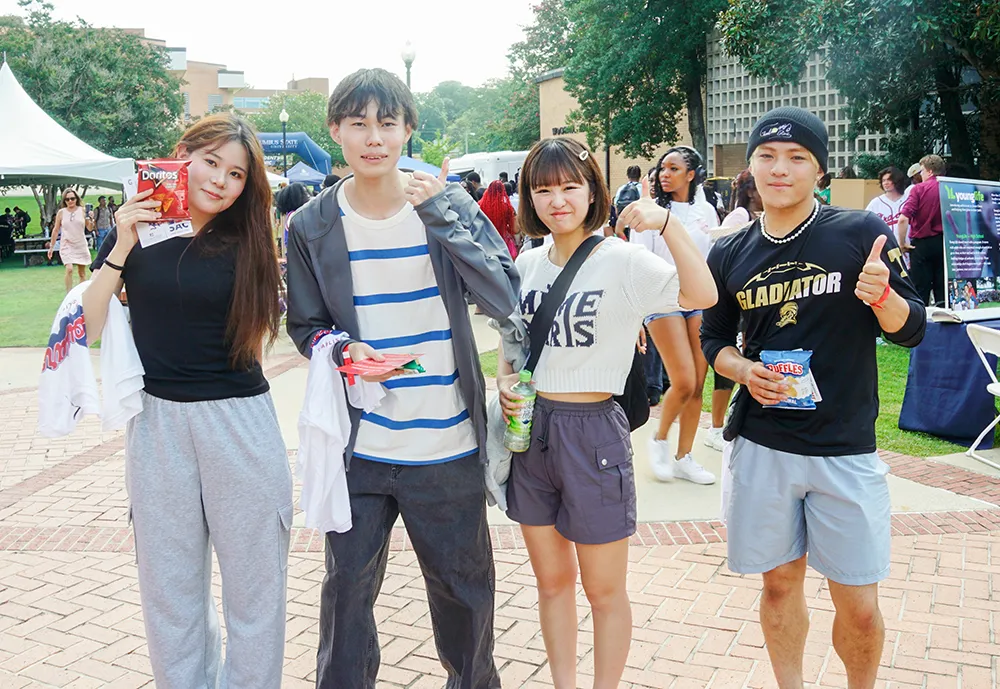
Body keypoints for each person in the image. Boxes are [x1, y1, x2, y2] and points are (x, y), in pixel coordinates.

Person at [285, 67, 518, 689]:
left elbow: (503, 296)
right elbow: (305, 325)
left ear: (408, 129)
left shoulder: (446, 203)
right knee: (345, 600)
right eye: (357, 123)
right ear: (335, 130)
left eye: (387, 123)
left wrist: (439, 214)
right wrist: (342, 350)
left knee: (465, 599)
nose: (373, 138)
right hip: (359, 447)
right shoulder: (311, 225)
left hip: (446, 445)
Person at [702, 106, 926, 689]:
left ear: (819, 170)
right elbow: (713, 339)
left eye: (797, 157)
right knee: (779, 586)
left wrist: (883, 298)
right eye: (768, 156)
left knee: (858, 604)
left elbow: (911, 329)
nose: (781, 168)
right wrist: (744, 370)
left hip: (844, 447)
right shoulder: (729, 251)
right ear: (751, 167)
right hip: (763, 443)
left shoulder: (860, 233)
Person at [79, 113, 288, 688]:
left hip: (239, 423)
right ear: (183, 156)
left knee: (255, 592)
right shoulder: (135, 232)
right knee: (170, 593)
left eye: (237, 174)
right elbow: (88, 328)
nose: (220, 180)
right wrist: (122, 243)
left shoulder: (249, 240)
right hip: (158, 426)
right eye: (211, 162)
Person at [499, 136, 716, 689]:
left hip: (593, 433)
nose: (557, 200)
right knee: (551, 582)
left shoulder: (623, 260)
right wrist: (504, 385)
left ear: (593, 191)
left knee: (603, 590)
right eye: (543, 190)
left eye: (569, 186)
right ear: (529, 197)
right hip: (531, 433)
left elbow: (703, 294)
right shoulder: (526, 264)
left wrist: (667, 224)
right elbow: (513, 347)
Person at [631, 146, 717, 485]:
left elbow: (710, 255)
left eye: (674, 168)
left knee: (698, 383)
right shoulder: (650, 211)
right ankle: (660, 439)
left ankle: (684, 457)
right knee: (683, 380)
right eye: (662, 168)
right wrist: (637, 314)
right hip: (662, 300)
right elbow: (638, 262)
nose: (664, 174)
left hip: (697, 300)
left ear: (691, 174)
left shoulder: (705, 211)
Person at [897, 154, 946, 306]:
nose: (921, 174)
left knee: (920, 290)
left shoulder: (918, 189)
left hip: (922, 245)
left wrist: (902, 243)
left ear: (930, 171)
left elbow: (903, 219)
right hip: (945, 244)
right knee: (943, 289)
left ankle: (922, 318)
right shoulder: (950, 188)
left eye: (922, 171)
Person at [47, 188, 91, 292]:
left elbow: (89, 228)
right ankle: (69, 294)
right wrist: (51, 247)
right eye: (67, 199)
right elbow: (55, 230)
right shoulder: (61, 212)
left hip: (80, 244)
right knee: (69, 269)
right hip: (67, 244)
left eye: (72, 198)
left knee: (82, 273)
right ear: (64, 201)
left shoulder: (83, 210)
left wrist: (91, 218)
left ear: (76, 199)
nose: (70, 201)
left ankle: (81, 295)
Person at [480, 179, 519, 259]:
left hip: (486, 243)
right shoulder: (507, 208)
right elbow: (515, 230)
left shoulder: (480, 206)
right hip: (504, 243)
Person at [865, 166, 907, 232]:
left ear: (897, 180)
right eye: (883, 180)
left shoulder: (908, 200)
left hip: (906, 239)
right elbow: (865, 223)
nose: (886, 183)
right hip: (885, 239)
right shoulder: (875, 203)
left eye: (889, 180)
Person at [610, 165, 643, 237]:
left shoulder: (621, 188)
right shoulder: (642, 188)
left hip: (623, 223)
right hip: (636, 223)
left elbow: (616, 205)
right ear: (639, 175)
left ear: (628, 175)